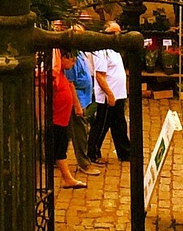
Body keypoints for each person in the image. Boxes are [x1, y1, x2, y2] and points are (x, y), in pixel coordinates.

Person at [87, 21, 130, 162]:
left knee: (119, 124)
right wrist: (109, 94)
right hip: (108, 96)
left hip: (118, 94)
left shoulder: (115, 50)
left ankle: (125, 152)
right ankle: (93, 153)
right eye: (113, 33)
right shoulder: (101, 51)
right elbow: (99, 75)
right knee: (101, 124)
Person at [62, 45, 100, 176]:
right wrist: (77, 105)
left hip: (85, 98)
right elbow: (70, 83)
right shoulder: (70, 57)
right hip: (77, 100)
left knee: (68, 132)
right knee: (80, 133)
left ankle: (57, 158)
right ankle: (84, 163)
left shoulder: (80, 54)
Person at [52, 49, 86, 188]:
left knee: (62, 145)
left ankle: (68, 178)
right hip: (56, 118)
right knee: (59, 148)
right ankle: (68, 178)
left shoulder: (61, 73)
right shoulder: (54, 74)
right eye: (69, 58)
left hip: (62, 118)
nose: (73, 61)